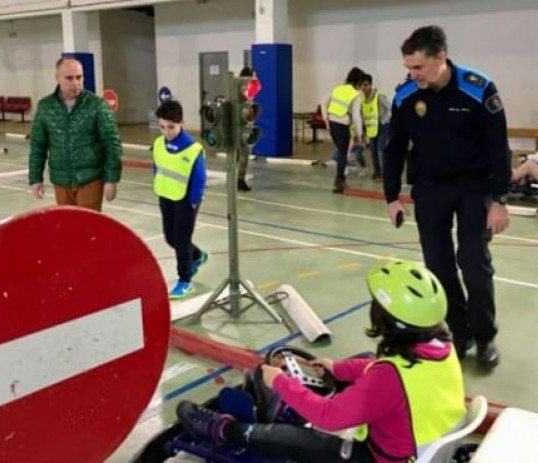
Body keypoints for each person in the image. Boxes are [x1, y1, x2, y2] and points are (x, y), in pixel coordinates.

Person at [176, 260, 466, 463]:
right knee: (366, 361)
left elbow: (328, 416)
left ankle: (225, 430)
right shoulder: (439, 347)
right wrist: (336, 368)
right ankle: (297, 401)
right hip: (422, 446)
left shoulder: (390, 376)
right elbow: (379, 369)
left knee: (296, 439)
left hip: (385, 459)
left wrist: (280, 381)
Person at [383, 25, 510, 369]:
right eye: (408, 67)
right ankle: (458, 334)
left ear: (441, 57)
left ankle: (485, 338)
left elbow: (498, 146)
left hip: (474, 189)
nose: (413, 74)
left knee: (474, 264)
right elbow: (394, 147)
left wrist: (500, 199)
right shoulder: (406, 95)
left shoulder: (477, 89)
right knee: (438, 268)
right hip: (431, 190)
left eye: (419, 67)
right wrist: (391, 196)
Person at [28, 57, 122, 212]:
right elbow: (38, 145)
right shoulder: (45, 107)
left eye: (79, 77)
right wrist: (35, 178)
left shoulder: (98, 106)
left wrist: (111, 179)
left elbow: (112, 144)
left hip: (90, 179)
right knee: (68, 228)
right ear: (57, 78)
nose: (75, 82)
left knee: (88, 229)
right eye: (69, 78)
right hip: (61, 181)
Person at [153, 100, 209, 299]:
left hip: (186, 200)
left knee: (182, 240)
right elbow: (157, 166)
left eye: (171, 127)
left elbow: (200, 178)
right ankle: (197, 255)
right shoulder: (159, 143)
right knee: (171, 238)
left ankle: (185, 280)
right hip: (165, 195)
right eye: (162, 127)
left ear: (181, 123)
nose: (166, 132)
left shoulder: (193, 149)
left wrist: (193, 201)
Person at [323, 68, 370, 193]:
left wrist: (326, 120)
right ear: (358, 81)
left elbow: (323, 103)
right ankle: (338, 182)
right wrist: (360, 134)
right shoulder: (356, 94)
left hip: (332, 125)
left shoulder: (337, 88)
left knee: (341, 152)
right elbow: (356, 116)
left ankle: (342, 179)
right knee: (342, 155)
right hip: (343, 126)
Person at [362, 73, 392, 181]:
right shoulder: (361, 99)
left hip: (383, 125)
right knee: (373, 150)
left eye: (365, 85)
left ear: (370, 85)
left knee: (381, 149)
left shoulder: (379, 97)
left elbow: (390, 108)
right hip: (371, 128)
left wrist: (387, 120)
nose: (363, 88)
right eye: (361, 85)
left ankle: (386, 172)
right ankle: (377, 172)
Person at [237, 66, 255, 192]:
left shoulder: (234, 84)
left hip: (236, 123)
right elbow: (248, 96)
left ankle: (234, 178)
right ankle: (240, 179)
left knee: (236, 153)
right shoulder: (244, 85)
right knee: (244, 152)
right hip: (241, 124)